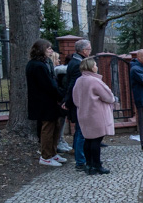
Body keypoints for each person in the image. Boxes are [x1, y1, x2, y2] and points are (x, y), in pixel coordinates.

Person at [73, 57, 115, 175]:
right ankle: (97, 165)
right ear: (91, 67)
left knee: (88, 139)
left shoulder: (79, 80)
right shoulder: (94, 81)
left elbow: (75, 99)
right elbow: (108, 97)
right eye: (95, 65)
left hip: (83, 114)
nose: (97, 67)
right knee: (96, 140)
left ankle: (89, 165)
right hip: (96, 114)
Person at [27, 39, 65, 167]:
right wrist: (60, 95)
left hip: (48, 101)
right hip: (44, 102)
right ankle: (46, 156)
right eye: (48, 48)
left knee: (55, 127)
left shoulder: (42, 64)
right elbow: (48, 85)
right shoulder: (37, 65)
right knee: (48, 129)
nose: (51, 50)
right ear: (41, 50)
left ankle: (52, 153)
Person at [63, 39, 92, 170]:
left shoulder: (76, 61)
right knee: (81, 132)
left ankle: (79, 156)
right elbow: (72, 85)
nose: (90, 51)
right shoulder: (77, 64)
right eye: (89, 49)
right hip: (78, 103)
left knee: (79, 132)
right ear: (84, 50)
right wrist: (67, 101)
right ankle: (80, 161)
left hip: (77, 102)